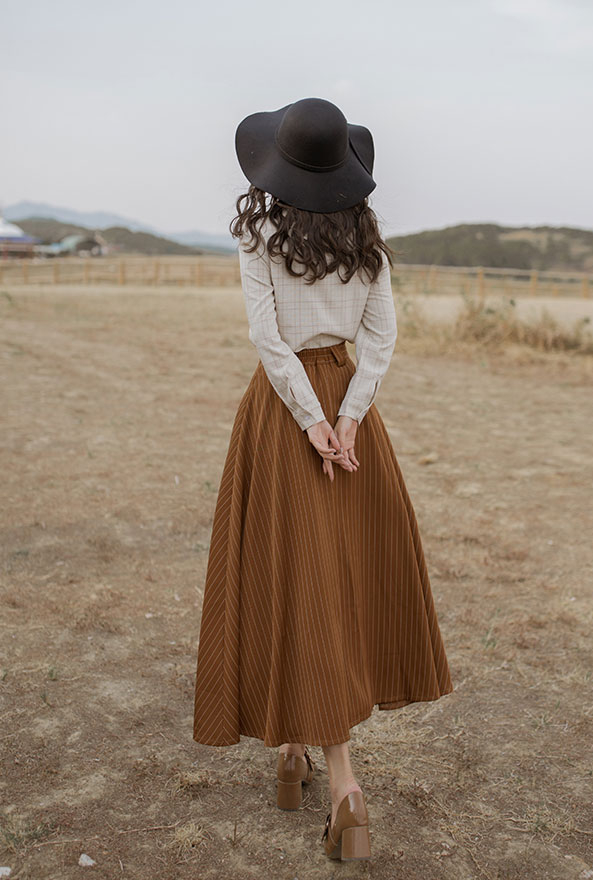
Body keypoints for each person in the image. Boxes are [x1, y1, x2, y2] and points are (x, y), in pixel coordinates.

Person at [193, 96, 453, 861]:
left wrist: (310, 421)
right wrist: (347, 417)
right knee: (331, 578)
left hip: (283, 416)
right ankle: (294, 753)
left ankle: (341, 785)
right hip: (346, 411)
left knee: (293, 577)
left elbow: (269, 340)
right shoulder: (367, 238)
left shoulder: (259, 234)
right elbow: (381, 336)